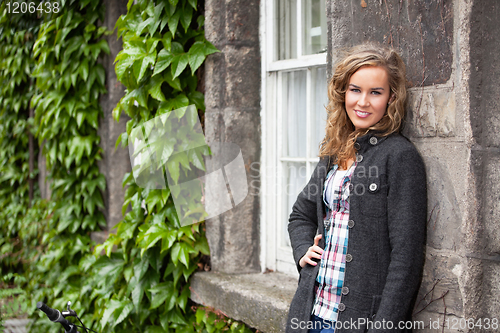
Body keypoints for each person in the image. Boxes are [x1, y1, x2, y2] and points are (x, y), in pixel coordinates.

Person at [286, 43, 427, 333]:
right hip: (309, 314)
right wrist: (303, 250)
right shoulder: (334, 151)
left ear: (391, 98)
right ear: (343, 93)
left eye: (375, 92)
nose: (363, 102)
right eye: (355, 90)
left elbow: (406, 259)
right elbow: (300, 214)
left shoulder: (400, 157)